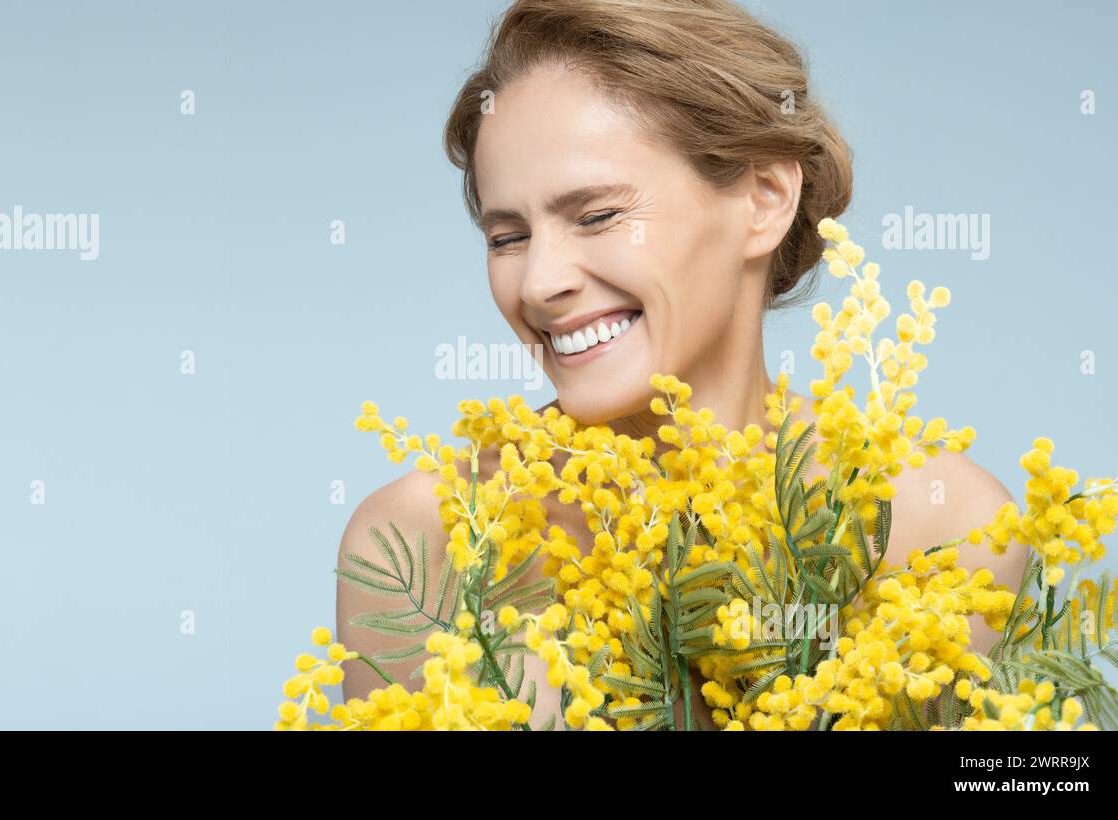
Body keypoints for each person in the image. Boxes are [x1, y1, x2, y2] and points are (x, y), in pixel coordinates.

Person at [336, 0, 1029, 730]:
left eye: (596, 216)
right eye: (507, 236)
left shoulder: (943, 529)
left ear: (764, 200)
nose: (538, 282)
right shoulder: (426, 541)